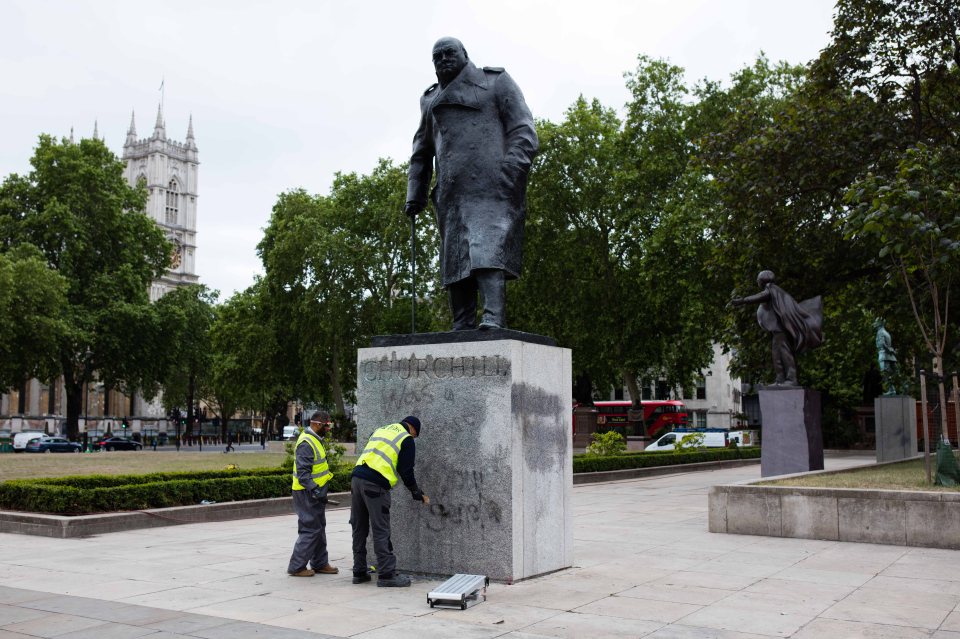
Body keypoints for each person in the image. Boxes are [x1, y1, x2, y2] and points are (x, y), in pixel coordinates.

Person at [405, 37, 539, 331]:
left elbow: (524, 131)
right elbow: (422, 151)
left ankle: (493, 317)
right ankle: (462, 322)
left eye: (449, 53)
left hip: (492, 187)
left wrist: (509, 174)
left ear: (465, 54)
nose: (443, 59)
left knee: (486, 248)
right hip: (452, 193)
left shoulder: (495, 83)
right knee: (455, 260)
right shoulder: (430, 101)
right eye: (436, 56)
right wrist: (415, 193)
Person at [350, 416, 429, 587]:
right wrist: (416, 492)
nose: (414, 438)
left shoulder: (381, 430)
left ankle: (359, 571)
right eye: (416, 435)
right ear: (413, 429)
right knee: (381, 530)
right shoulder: (406, 439)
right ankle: (387, 575)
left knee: (359, 527)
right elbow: (406, 470)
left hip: (356, 479)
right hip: (375, 485)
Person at [731, 270, 823, 386]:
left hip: (781, 331)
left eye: (758, 280)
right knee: (776, 355)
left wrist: (743, 300)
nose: (757, 282)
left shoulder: (772, 289)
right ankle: (780, 379)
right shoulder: (775, 291)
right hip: (777, 332)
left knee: (785, 353)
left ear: (762, 280)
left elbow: (760, 296)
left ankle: (791, 379)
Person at [287, 411, 338, 577]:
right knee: (310, 528)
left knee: (319, 527)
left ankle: (320, 563)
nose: (328, 429)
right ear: (317, 424)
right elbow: (303, 474)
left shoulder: (315, 439)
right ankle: (296, 566)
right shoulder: (307, 443)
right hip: (307, 493)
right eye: (327, 425)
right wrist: (316, 490)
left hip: (315, 492)